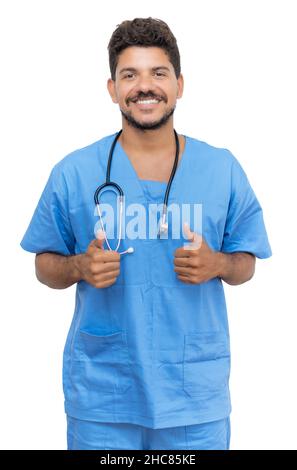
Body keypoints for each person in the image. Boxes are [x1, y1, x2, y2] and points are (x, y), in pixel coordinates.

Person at [20, 17, 272, 450]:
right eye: (129, 75)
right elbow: (45, 264)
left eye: (158, 73)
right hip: (105, 395)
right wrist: (79, 265)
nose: (144, 86)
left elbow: (245, 264)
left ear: (179, 84)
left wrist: (219, 264)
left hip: (193, 395)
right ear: (113, 89)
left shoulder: (221, 168)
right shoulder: (74, 172)